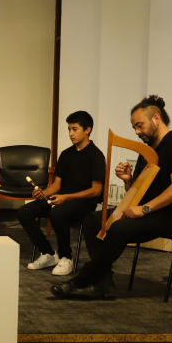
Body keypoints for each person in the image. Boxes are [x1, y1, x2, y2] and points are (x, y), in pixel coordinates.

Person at [52, 95, 172, 300]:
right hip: (148, 212)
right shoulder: (148, 151)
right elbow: (138, 193)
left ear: (156, 119)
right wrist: (129, 180)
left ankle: (82, 279)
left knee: (119, 227)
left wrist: (144, 209)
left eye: (139, 125)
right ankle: (103, 283)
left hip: (170, 215)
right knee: (92, 220)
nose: (137, 132)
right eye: (134, 128)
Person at [20, 111, 105, 276]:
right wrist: (42, 193)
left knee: (57, 214)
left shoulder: (96, 156)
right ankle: (48, 253)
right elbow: (57, 185)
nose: (71, 133)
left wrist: (66, 197)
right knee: (25, 212)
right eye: (69, 129)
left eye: (75, 129)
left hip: (83, 202)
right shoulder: (66, 154)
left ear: (87, 130)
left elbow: (96, 190)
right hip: (61, 198)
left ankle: (66, 257)